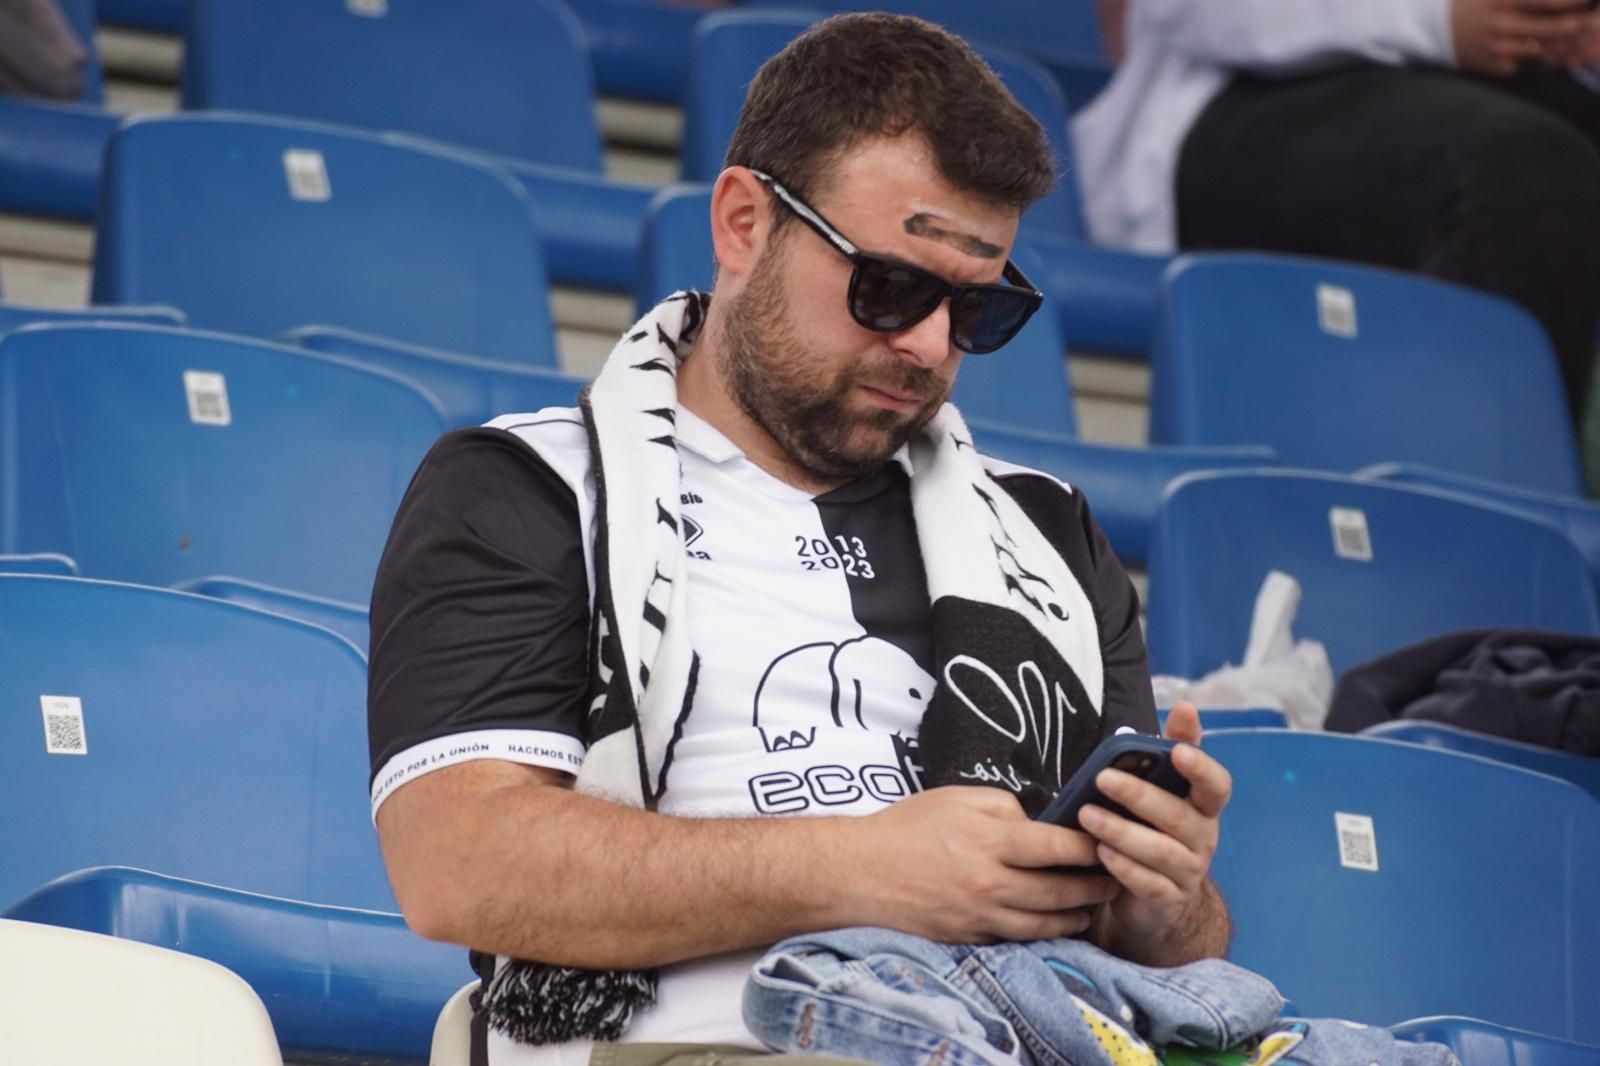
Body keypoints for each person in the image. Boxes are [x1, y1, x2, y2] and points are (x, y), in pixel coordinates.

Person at [367, 14, 1232, 1066]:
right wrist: (859, 867)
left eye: (976, 309)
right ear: (743, 223)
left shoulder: (1045, 528)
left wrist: (1161, 908)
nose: (925, 345)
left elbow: (1175, 963)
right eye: (892, 285)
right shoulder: (531, 484)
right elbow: (457, 863)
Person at [1074, 0, 1600, 439]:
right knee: (1524, 172)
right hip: (1245, 98)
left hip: (1516, 99)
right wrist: (1434, 20)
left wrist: (1568, 29)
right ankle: (1461, 522)